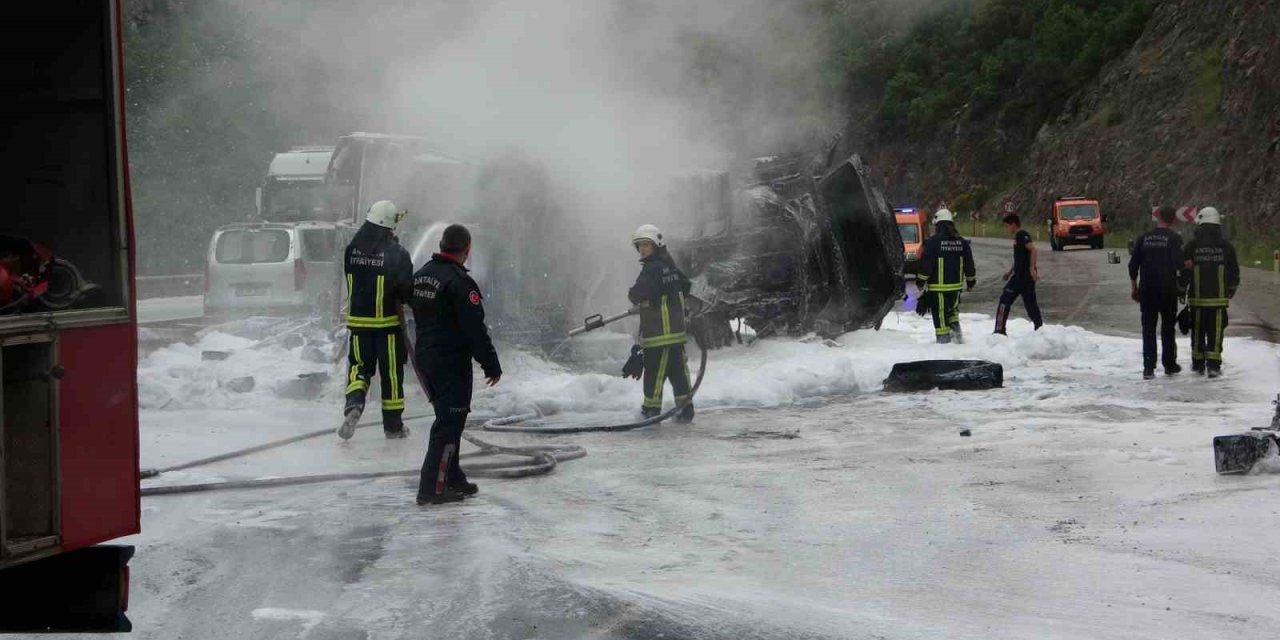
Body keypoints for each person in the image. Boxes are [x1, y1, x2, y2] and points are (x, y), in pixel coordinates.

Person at [407, 224, 502, 505]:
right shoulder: (460, 283)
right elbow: (474, 330)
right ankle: (432, 487)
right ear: (467, 250)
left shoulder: (423, 274)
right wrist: (491, 364)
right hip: (450, 362)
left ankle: (452, 475)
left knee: (450, 418)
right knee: (449, 423)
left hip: (426, 357)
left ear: (441, 244)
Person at [337, 200, 414, 440]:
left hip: (359, 325)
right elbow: (406, 291)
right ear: (389, 226)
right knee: (391, 375)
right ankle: (393, 427)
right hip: (388, 327)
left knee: (359, 369)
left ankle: (354, 406)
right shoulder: (397, 253)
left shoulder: (352, 250)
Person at [628, 224, 694, 422]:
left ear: (656, 245)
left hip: (659, 335)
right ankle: (685, 410)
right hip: (676, 334)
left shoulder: (651, 269)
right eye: (639, 246)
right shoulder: (669, 266)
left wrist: (647, 300)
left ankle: (651, 412)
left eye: (646, 245)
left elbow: (635, 294)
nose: (642, 249)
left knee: (654, 375)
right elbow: (686, 285)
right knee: (678, 373)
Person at [1180, 206, 1239, 378]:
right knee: (1216, 332)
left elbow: (1184, 272)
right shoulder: (1226, 247)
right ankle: (1213, 366)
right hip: (1218, 301)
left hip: (1197, 300)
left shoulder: (1191, 247)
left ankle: (1198, 365)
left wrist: (1181, 290)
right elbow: (1234, 273)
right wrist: (1230, 292)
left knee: (1197, 331)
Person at [1128, 205, 1184, 380]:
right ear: (1173, 219)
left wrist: (1134, 288)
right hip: (1167, 290)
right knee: (1168, 328)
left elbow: (1133, 266)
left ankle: (1148, 368)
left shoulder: (1143, 238)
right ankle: (1169, 365)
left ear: (1157, 217)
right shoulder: (1174, 238)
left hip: (1148, 289)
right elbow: (1178, 263)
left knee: (1148, 329)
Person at [916, 208, 976, 344]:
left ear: (938, 224)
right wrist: (971, 281)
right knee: (953, 313)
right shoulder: (961, 242)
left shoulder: (933, 242)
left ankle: (943, 344)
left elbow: (926, 265)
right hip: (956, 289)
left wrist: (920, 281)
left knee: (941, 316)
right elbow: (969, 264)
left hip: (938, 289)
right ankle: (958, 339)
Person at [994, 213, 1043, 334]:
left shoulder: (1022, 235)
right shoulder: (1017, 238)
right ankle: (999, 330)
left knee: (1030, 305)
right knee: (1005, 300)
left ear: (1013, 224)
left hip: (1025, 277)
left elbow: (1033, 250)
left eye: (1007, 226)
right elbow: (1019, 258)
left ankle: (1040, 329)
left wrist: (1032, 268)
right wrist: (1010, 272)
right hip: (1017, 276)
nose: (1006, 229)